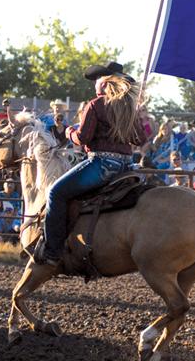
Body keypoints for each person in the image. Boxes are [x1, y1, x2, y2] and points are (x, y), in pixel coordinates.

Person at [34, 61, 147, 266]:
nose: (94, 84)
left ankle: (52, 251)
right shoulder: (128, 107)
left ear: (103, 83)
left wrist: (69, 132)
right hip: (126, 167)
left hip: (101, 164)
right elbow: (140, 140)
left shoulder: (96, 105)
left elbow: (82, 138)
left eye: (96, 80)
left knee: (55, 193)